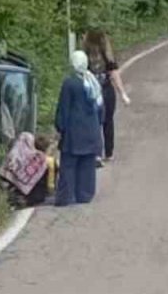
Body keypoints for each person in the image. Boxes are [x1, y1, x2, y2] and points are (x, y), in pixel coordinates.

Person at [55, 51, 104, 206]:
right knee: (87, 164)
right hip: (92, 130)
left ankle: (66, 196)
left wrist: (60, 127)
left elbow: (64, 108)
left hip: (74, 132)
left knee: (68, 164)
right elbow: (101, 107)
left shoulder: (70, 83)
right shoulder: (92, 81)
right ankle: (85, 194)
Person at [82, 28, 131, 165]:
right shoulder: (106, 54)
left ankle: (96, 153)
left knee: (93, 122)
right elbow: (114, 74)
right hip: (106, 89)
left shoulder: (84, 54)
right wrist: (123, 94)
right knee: (108, 121)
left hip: (90, 92)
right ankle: (108, 153)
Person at [0, 132, 49, 207]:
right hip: (21, 185)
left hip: (6, 173)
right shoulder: (41, 160)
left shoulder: (23, 142)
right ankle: (20, 199)